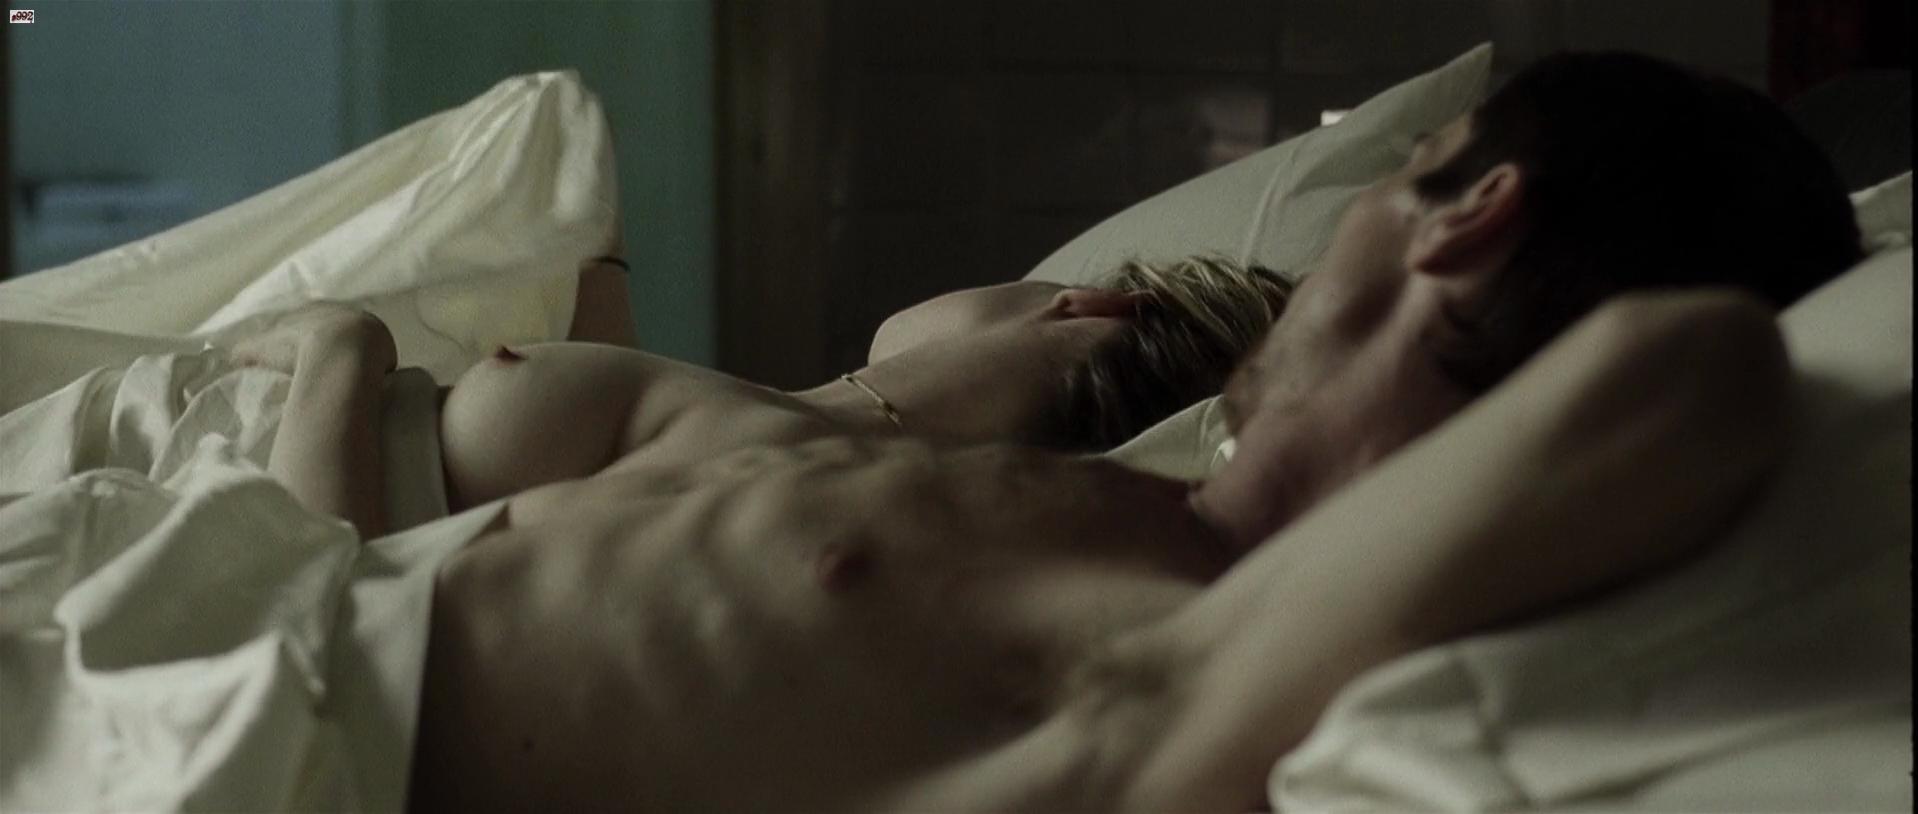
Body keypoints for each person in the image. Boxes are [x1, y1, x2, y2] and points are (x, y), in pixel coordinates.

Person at [255, 51, 1860, 811]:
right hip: (213, 636)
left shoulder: (1188, 642)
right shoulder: (1115, 508)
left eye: (1404, 167)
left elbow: (1694, 369)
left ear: (1468, 212)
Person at [229, 255, 1292, 537]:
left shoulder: (793, 472)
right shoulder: (784, 424)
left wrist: (341, 352)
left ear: (1085, 305)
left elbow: (324, 612)